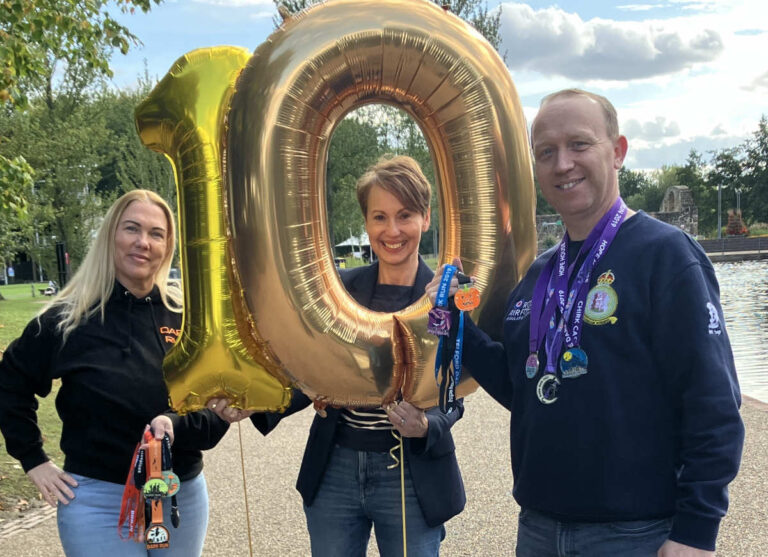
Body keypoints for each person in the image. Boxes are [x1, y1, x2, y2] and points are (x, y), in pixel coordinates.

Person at [427, 89, 744, 556]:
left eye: (579, 144)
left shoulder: (667, 256)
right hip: (537, 529)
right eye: (546, 153)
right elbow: (523, 387)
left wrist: (696, 532)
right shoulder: (539, 274)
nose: (562, 164)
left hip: (635, 533)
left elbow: (713, 403)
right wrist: (456, 325)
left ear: (617, 152)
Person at [210, 155, 466, 556]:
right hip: (336, 470)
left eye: (405, 215)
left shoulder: (443, 295)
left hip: (411, 475)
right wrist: (256, 402)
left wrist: (427, 426)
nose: (393, 230)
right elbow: (308, 368)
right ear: (366, 223)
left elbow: (454, 389)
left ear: (426, 218)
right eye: (379, 217)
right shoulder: (339, 291)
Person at [0, 189, 229, 556]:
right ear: (111, 235)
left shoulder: (191, 319)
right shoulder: (67, 319)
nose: (143, 242)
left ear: (168, 245)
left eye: (156, 233)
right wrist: (33, 460)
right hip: (97, 503)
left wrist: (175, 424)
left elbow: (216, 409)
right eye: (132, 229)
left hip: (178, 496)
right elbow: (10, 383)